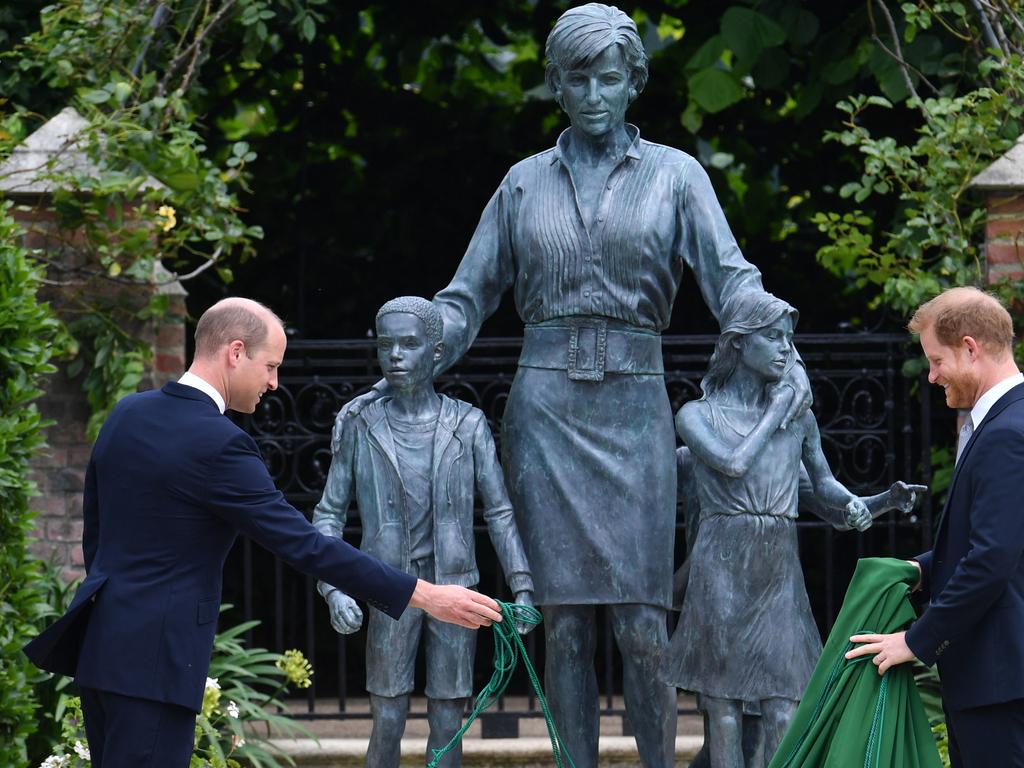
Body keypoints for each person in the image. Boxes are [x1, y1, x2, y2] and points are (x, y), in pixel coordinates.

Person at [343, 6, 810, 764]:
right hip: (547, 413)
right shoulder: (523, 184)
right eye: (578, 79)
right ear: (557, 87)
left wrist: (779, 343)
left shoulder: (676, 176)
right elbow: (467, 297)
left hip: (636, 408)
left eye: (609, 78)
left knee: (641, 624)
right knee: (561, 624)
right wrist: (420, 344)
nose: (594, 94)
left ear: (634, 82)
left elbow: (733, 282)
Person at [22, 297, 502, 768]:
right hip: (157, 664)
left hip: (101, 650)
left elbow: (97, 533)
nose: (274, 383)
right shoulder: (220, 444)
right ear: (235, 352)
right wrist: (425, 595)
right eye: (270, 366)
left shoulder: (128, 413)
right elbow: (306, 545)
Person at [663, 292, 924, 767]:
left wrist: (881, 502)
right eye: (773, 336)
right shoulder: (696, 416)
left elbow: (827, 493)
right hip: (721, 564)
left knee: (784, 701)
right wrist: (778, 408)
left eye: (789, 338)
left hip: (777, 569)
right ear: (739, 344)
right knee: (722, 707)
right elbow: (732, 463)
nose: (786, 349)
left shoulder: (799, 421)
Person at [312, 297, 534, 768]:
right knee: (387, 715)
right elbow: (328, 514)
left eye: (408, 344)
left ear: (436, 352)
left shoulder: (469, 424)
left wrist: (523, 587)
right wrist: (334, 589)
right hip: (387, 587)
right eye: (385, 344)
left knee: (449, 718)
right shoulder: (360, 425)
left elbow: (499, 512)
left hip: (455, 586)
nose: (394, 355)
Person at [846, 286, 1024, 768]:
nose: (931, 375)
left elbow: (992, 560)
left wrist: (916, 640)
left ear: (970, 348)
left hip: (1000, 686)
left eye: (936, 359)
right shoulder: (1004, 423)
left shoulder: (1007, 433)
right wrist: (920, 569)